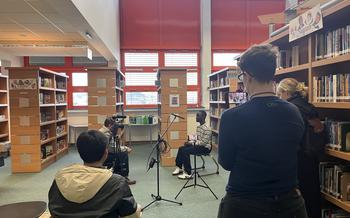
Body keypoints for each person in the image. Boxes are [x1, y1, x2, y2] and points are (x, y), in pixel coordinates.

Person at [218, 44, 308, 218]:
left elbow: (226, 163)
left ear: (248, 76)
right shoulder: (294, 112)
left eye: (241, 75)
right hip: (290, 204)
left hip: (244, 203)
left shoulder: (231, 116)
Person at [48, 130, 142, 218]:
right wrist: (138, 208)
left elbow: (53, 209)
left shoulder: (61, 177)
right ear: (106, 152)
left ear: (80, 152)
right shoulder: (117, 182)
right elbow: (131, 215)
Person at [277, 78, 326, 218]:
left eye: (280, 95)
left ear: (286, 93)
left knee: (297, 199)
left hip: (296, 158)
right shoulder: (309, 106)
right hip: (312, 157)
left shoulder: (289, 109)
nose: (279, 98)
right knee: (312, 195)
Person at [172, 110, 211, 179]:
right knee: (181, 148)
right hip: (199, 145)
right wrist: (190, 142)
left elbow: (204, 142)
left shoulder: (207, 129)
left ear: (203, 117)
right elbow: (198, 139)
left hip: (205, 148)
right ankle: (179, 167)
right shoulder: (199, 127)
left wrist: (193, 143)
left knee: (185, 151)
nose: (196, 117)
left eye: (198, 115)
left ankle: (188, 173)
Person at [99, 117, 136, 185]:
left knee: (121, 152)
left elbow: (112, 146)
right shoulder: (106, 134)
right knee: (123, 154)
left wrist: (122, 146)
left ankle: (118, 175)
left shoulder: (102, 130)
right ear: (110, 125)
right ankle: (124, 177)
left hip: (103, 153)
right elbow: (111, 149)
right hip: (104, 155)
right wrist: (125, 148)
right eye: (113, 126)